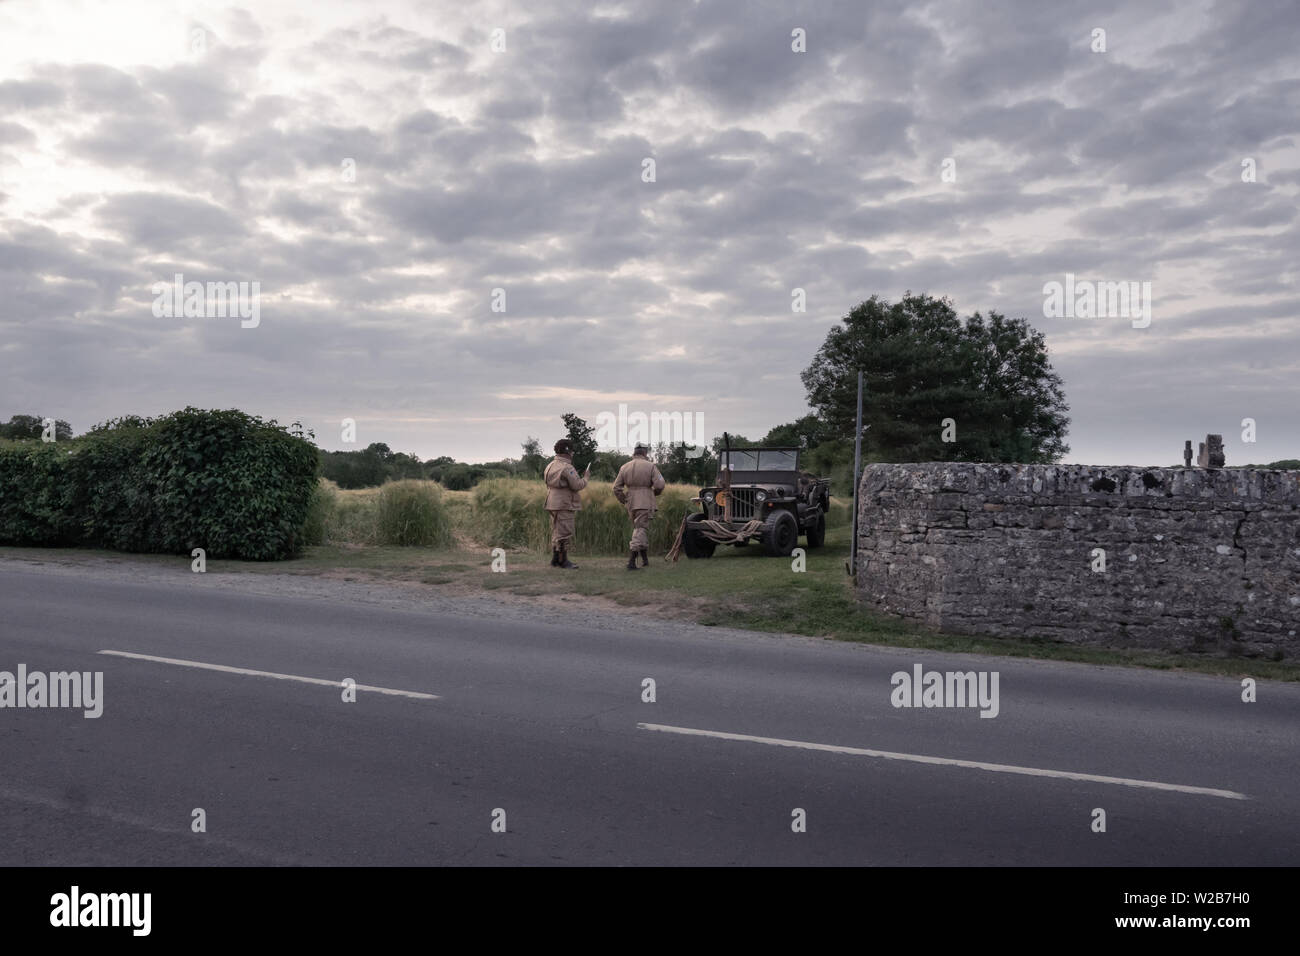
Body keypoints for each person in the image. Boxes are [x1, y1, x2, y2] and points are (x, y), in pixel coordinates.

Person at [612, 442, 666, 570]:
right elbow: (659, 485)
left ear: (634, 452)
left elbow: (616, 488)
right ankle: (631, 562)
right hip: (645, 500)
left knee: (638, 529)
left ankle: (645, 560)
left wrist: (624, 500)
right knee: (641, 529)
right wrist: (654, 494)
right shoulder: (651, 466)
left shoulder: (624, 467)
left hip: (631, 502)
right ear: (645, 453)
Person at [544, 438, 588, 569]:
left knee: (556, 531)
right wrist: (586, 477)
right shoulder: (567, 467)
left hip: (551, 501)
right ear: (568, 451)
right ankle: (563, 561)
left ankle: (555, 559)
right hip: (564, 503)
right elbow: (577, 485)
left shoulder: (550, 465)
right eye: (572, 451)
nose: (573, 453)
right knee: (564, 532)